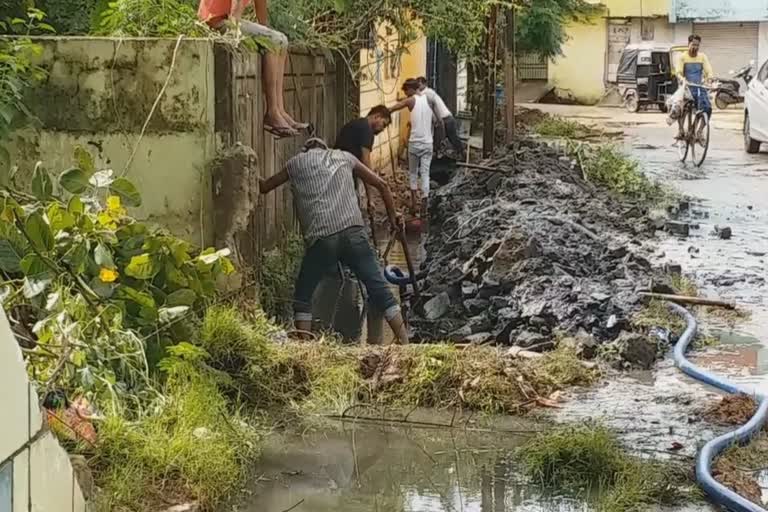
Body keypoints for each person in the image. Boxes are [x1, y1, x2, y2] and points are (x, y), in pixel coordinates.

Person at [259, 138, 409, 344]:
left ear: (306, 150)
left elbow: (265, 187)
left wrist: (251, 176)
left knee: (303, 297)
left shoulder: (295, 163)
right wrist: (393, 218)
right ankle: (405, 343)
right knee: (380, 290)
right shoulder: (345, 157)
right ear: (326, 148)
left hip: (322, 239)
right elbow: (382, 185)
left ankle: (305, 347)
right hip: (354, 233)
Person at [198, 0, 307, 138]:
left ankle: (280, 110)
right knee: (273, 41)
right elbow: (236, 5)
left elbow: (260, 5)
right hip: (215, 20)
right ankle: (272, 112)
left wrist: (263, 30)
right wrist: (234, 33)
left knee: (282, 41)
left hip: (225, 18)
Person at [332, 105, 392, 344]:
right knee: (349, 217)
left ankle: (343, 259)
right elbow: (366, 163)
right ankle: (347, 258)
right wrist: (370, 193)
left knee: (347, 215)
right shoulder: (365, 129)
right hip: (343, 175)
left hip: (340, 173)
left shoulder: (357, 126)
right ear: (377, 117)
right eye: (384, 124)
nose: (382, 129)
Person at [390, 79, 440, 218]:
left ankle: (413, 205)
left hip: (414, 144)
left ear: (411, 89)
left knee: (413, 173)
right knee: (425, 174)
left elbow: (396, 107)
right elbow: (437, 122)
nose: (406, 95)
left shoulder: (411, 100)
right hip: (427, 144)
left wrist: (385, 111)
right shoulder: (430, 100)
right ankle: (424, 207)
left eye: (406, 92)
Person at [416, 77, 465, 160]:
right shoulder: (428, 92)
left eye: (419, 84)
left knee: (447, 138)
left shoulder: (426, 93)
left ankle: (460, 154)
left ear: (424, 84)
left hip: (445, 119)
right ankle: (459, 153)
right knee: (448, 138)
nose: (418, 86)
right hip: (446, 118)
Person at [676, 34, 713, 139]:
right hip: (686, 87)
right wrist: (682, 79)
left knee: (707, 108)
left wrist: (709, 79)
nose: (695, 47)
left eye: (697, 45)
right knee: (680, 109)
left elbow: (708, 71)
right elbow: (678, 72)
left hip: (698, 88)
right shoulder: (682, 57)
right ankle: (680, 129)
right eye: (693, 45)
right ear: (688, 44)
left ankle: (699, 131)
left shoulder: (702, 57)